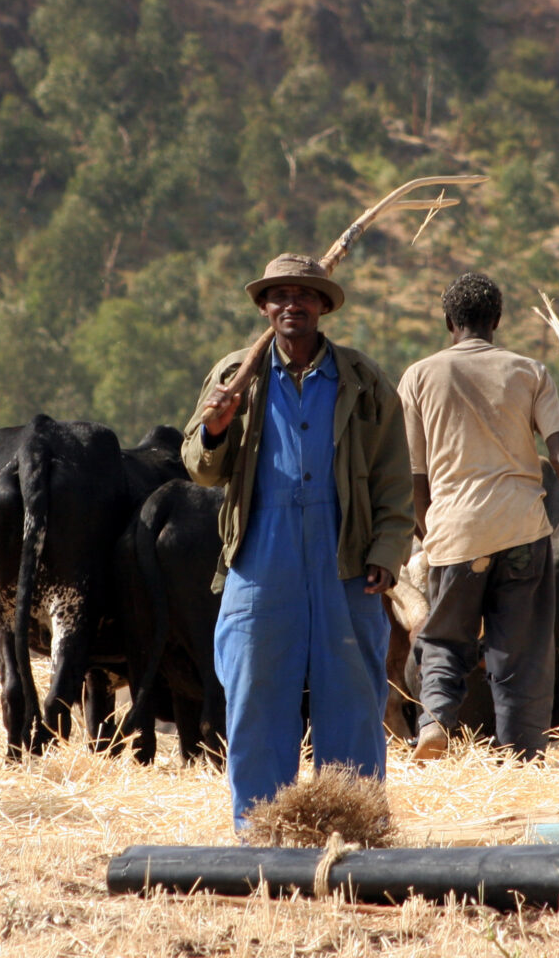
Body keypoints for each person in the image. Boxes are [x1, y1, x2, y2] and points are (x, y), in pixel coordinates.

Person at [182, 252, 413, 828]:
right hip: (262, 561)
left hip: (347, 563)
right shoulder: (236, 376)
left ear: (323, 306)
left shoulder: (362, 380)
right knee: (256, 702)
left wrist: (386, 553)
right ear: (265, 308)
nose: (293, 304)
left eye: (305, 294)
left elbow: (393, 479)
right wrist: (215, 429)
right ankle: (261, 835)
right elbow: (200, 468)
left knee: (354, 704)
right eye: (280, 295)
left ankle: (353, 832)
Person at [397, 273, 559, 762]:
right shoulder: (529, 370)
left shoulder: (419, 376)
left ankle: (433, 722)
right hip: (521, 530)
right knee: (521, 655)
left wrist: (431, 533)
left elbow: (413, 473)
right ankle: (521, 754)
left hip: (454, 531)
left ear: (448, 321)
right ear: (496, 321)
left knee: (445, 639)